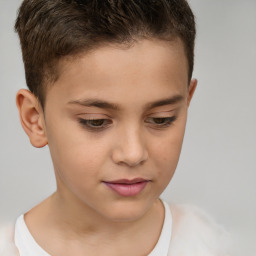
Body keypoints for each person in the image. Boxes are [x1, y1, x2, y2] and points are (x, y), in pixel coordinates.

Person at [0, 0, 231, 255]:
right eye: (95, 121)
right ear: (35, 119)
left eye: (161, 118)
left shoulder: (211, 244)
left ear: (187, 102)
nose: (133, 154)